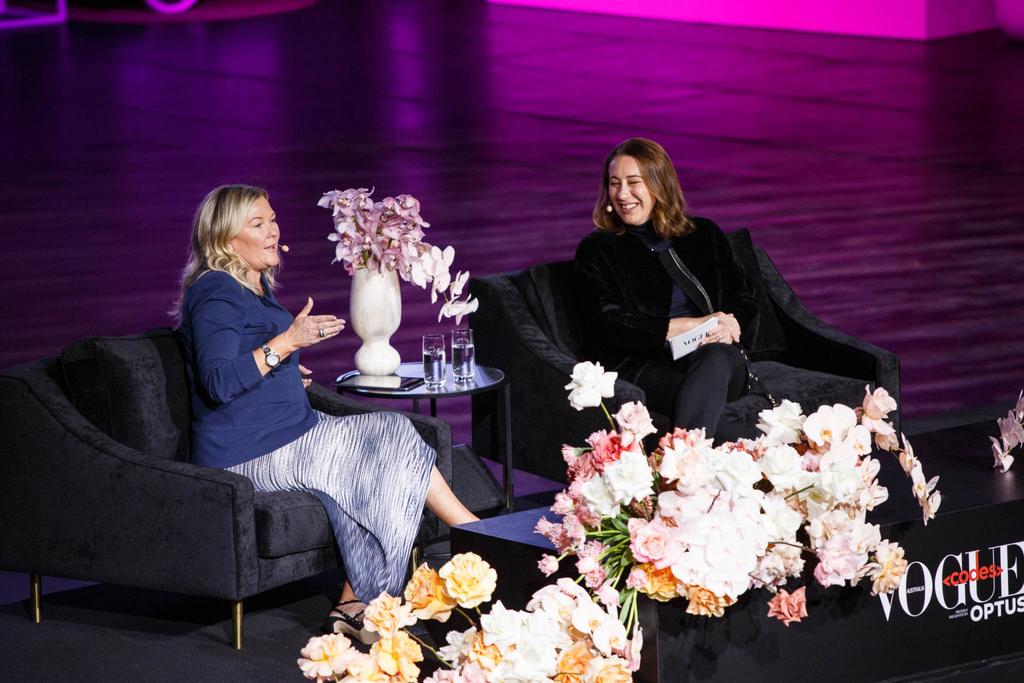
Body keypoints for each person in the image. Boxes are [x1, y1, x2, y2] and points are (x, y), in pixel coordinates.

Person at [173, 184, 477, 644]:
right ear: (224, 240)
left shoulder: (253, 286)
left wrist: (285, 371)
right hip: (248, 453)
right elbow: (217, 381)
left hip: (293, 431)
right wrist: (287, 344)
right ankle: (473, 537)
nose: (273, 230)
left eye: (272, 219)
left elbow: (248, 363)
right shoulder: (216, 290)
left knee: (385, 450)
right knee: (392, 431)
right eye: (258, 224)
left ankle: (354, 604)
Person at [574, 138, 760, 441]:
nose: (622, 194)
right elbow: (609, 325)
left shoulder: (704, 235)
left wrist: (729, 324)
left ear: (659, 185)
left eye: (634, 182)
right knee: (722, 417)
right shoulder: (599, 249)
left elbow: (745, 298)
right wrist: (696, 324)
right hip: (649, 365)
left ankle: (680, 467)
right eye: (614, 183)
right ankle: (690, 472)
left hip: (720, 358)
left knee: (715, 357)